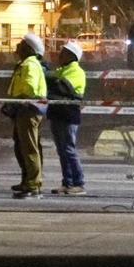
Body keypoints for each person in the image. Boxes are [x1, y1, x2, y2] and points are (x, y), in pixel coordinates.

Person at [4, 32, 48, 197]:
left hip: (28, 109)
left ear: (29, 48)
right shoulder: (26, 63)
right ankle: (27, 181)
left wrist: (16, 100)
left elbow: (29, 89)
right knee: (22, 147)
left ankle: (33, 183)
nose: (17, 47)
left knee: (29, 148)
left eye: (21, 45)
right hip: (24, 109)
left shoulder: (30, 65)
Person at [47, 41, 87, 195]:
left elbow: (60, 86)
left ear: (71, 55)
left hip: (68, 115)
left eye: (63, 52)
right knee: (62, 151)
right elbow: (50, 80)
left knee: (69, 150)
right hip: (58, 114)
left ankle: (79, 183)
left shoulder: (76, 71)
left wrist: (52, 81)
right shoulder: (63, 70)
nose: (59, 55)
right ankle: (67, 182)